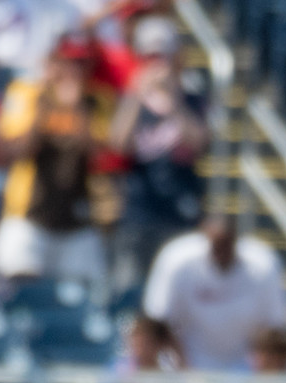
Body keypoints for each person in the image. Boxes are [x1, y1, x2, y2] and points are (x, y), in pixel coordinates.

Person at [0, 40, 108, 284]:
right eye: (68, 63)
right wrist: (45, 104)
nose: (74, 71)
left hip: (78, 218)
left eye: (81, 63)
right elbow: (17, 151)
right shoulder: (27, 93)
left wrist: (77, 109)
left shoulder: (98, 101)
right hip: (28, 214)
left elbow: (99, 156)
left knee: (87, 292)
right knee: (16, 284)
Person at [110, 16, 208, 293]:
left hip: (181, 210)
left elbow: (199, 141)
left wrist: (174, 100)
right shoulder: (131, 99)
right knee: (132, 292)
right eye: (150, 57)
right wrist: (136, 94)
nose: (156, 65)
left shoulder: (191, 97)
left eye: (162, 57)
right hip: (140, 212)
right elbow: (118, 143)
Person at [141, 217, 286, 373]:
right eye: (216, 246)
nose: (221, 252)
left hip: (244, 373)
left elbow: (274, 327)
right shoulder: (177, 260)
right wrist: (186, 370)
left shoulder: (263, 264)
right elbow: (158, 322)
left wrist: (256, 367)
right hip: (181, 368)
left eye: (226, 245)